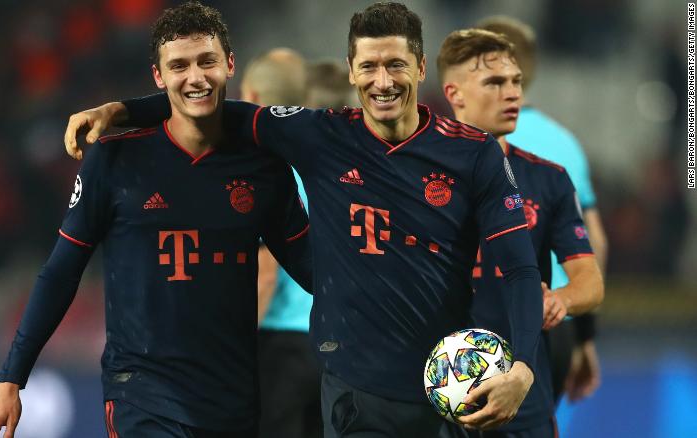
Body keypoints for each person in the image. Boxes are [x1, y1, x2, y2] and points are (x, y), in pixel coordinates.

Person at [65, 3, 545, 436]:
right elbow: (211, 104)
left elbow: (520, 268)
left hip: (448, 386)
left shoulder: (473, 154)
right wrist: (121, 111)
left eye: (396, 65)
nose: (384, 81)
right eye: (370, 67)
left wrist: (523, 367)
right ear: (352, 73)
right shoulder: (320, 136)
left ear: (420, 68)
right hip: (357, 390)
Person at [0, 3, 311, 438]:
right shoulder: (114, 160)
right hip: (143, 393)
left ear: (229, 64)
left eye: (206, 61)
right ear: (158, 76)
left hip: (232, 399)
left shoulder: (262, 168)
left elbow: (315, 269)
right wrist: (11, 377)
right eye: (178, 66)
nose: (194, 77)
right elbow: (61, 274)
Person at [437, 28, 604, 437]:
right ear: (454, 94)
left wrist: (560, 298)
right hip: (433, 387)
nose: (512, 93)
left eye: (516, 81)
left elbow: (590, 281)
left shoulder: (549, 179)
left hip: (522, 388)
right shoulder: (418, 174)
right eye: (494, 83)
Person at [477, 16, 608, 404]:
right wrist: (585, 336)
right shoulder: (564, 143)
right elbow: (596, 242)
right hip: (554, 319)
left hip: (478, 320)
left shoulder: (463, 135)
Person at [239, 47, 322, 438]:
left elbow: (266, 273)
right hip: (327, 339)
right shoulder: (323, 166)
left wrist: (232, 350)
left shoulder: (261, 172)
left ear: (252, 96)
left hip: (280, 345)